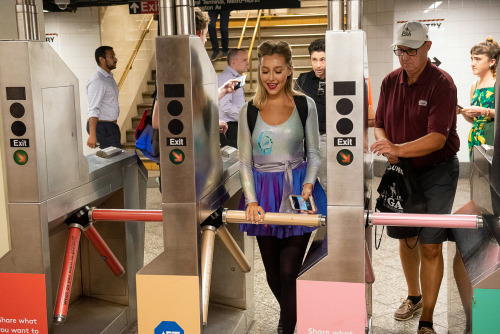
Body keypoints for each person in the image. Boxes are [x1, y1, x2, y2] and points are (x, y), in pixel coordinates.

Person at [370, 21, 460, 334]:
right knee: (408, 238)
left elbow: (436, 138)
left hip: (437, 172)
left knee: (431, 244)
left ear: (428, 47)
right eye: (400, 50)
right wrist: (387, 146)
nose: (404, 57)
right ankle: (413, 296)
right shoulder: (390, 81)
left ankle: (427, 320)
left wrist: (398, 148)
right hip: (402, 172)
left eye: (411, 51)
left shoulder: (442, 84)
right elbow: (379, 121)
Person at [238, 40, 327, 334]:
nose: (271, 77)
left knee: (289, 269)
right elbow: (244, 161)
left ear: (290, 70)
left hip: (298, 191)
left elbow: (314, 153)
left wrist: (309, 184)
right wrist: (251, 200)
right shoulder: (248, 110)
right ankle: (302, 315)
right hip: (263, 195)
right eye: (265, 71)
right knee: (274, 275)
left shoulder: (305, 104)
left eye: (278, 70)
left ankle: (286, 327)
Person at [457, 37, 499, 159]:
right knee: (478, 176)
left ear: (492, 62)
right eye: (472, 59)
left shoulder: (498, 84)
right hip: (475, 137)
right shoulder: (474, 86)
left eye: (477, 59)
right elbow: (474, 120)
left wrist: (484, 111)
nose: (472, 63)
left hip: (493, 137)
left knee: (494, 175)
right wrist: (463, 112)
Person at [295, 39, 327, 191]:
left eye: (322, 59)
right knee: (306, 181)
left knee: (325, 182)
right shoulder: (303, 79)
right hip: (305, 139)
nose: (318, 65)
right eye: (314, 60)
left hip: (327, 138)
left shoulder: (339, 79)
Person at [86, 46, 120, 149]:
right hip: (102, 127)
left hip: (110, 126)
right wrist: (92, 135)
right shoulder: (98, 80)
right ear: (102, 59)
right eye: (112, 56)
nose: (115, 59)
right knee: (113, 160)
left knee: (114, 159)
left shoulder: (108, 78)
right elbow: (93, 109)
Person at [218, 48, 249, 148]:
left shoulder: (236, 77)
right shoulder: (227, 78)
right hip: (229, 128)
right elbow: (226, 106)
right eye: (244, 60)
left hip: (234, 125)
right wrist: (243, 117)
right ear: (233, 62)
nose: (248, 63)